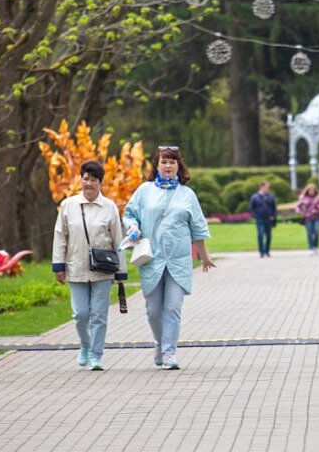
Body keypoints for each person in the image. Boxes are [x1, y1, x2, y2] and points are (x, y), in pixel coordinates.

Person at [123, 146, 216, 370]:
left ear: (179, 166)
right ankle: (159, 342)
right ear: (157, 165)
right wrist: (133, 227)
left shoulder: (187, 194)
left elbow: (198, 228)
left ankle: (169, 352)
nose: (168, 166)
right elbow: (129, 214)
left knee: (173, 307)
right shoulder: (144, 191)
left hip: (178, 260)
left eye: (172, 162)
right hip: (151, 259)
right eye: (164, 161)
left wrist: (204, 257)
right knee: (153, 310)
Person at [52, 159, 127, 371]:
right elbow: (60, 236)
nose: (89, 183)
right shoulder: (68, 205)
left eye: (93, 180)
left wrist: (121, 272)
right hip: (75, 266)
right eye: (86, 178)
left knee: (99, 315)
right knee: (80, 314)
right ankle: (85, 345)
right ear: (80, 179)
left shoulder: (109, 207)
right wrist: (58, 265)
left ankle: (96, 355)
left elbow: (117, 240)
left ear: (100, 183)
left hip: (103, 270)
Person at [248, 181, 277, 258]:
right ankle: (261, 252)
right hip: (260, 219)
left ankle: (267, 251)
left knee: (268, 235)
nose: (267, 189)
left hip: (268, 219)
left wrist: (273, 215)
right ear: (261, 187)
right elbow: (251, 208)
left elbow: (274, 207)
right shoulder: (255, 197)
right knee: (260, 234)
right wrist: (255, 216)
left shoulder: (270, 196)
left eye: (268, 188)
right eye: (266, 187)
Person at [296, 183, 319, 255]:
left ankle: (316, 246)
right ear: (307, 191)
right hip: (307, 218)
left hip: (316, 218)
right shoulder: (304, 198)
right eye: (310, 190)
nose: (311, 191)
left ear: (315, 191)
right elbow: (297, 206)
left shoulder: (318, 199)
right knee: (309, 233)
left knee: (317, 232)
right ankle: (311, 248)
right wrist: (300, 212)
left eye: (313, 190)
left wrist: (317, 211)